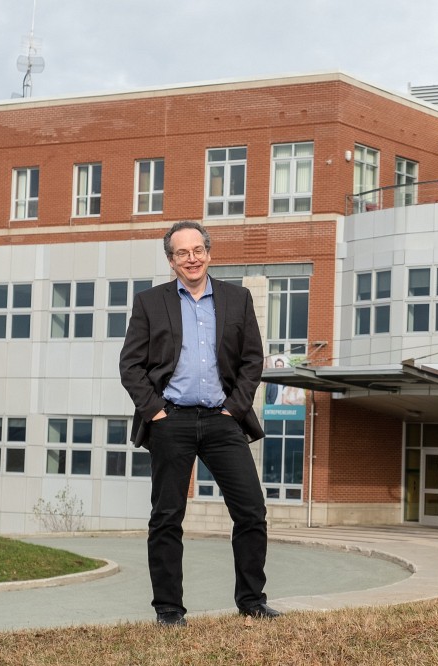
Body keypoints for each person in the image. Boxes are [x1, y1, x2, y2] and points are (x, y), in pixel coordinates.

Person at [119, 220, 282, 626]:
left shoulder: (237, 298)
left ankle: (252, 602)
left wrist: (235, 408)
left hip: (222, 421)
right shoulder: (149, 302)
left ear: (209, 253)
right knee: (166, 517)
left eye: (197, 250)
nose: (191, 258)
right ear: (171, 260)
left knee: (251, 511)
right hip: (170, 420)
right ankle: (169, 610)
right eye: (182, 253)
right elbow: (131, 365)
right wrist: (155, 411)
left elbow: (251, 361)